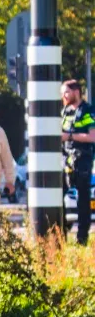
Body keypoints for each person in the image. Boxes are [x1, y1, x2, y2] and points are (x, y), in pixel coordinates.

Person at [60, 80, 93, 245]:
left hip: (82, 160)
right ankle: (62, 232)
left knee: (83, 199)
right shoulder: (65, 111)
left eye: (66, 92)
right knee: (57, 195)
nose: (63, 96)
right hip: (66, 159)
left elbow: (92, 136)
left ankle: (82, 238)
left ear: (76, 92)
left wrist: (70, 137)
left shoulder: (87, 111)